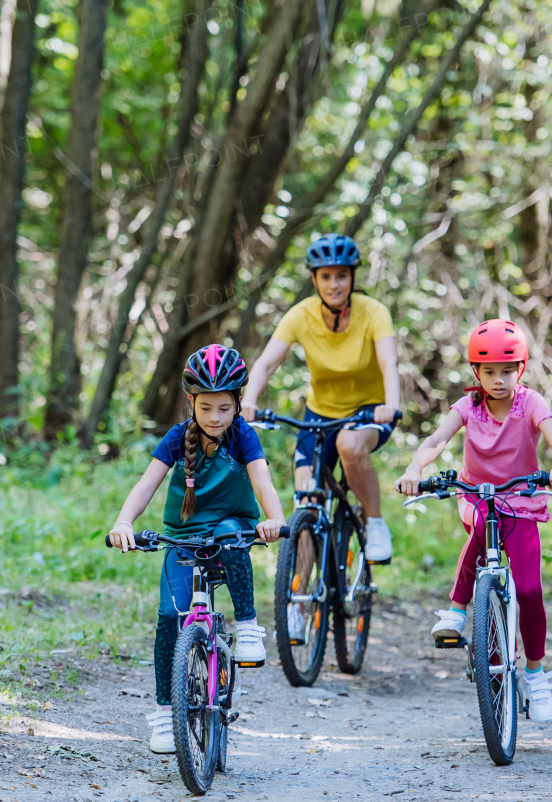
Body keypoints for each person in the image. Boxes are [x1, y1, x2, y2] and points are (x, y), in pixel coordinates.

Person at [106, 344, 287, 754]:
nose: (215, 417)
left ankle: (247, 625)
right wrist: (124, 522)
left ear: (238, 402)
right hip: (184, 537)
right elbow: (146, 484)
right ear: (191, 402)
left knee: (227, 531)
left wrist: (273, 518)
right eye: (206, 408)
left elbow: (263, 483)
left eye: (224, 408)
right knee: (170, 616)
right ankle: (164, 713)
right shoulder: (177, 437)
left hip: (232, 533)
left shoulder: (243, 435)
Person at [395, 320, 552, 723]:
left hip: (522, 501)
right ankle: (457, 612)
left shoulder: (529, 403)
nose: (499, 380)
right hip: (478, 497)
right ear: (476, 373)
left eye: (507, 371)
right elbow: (437, 440)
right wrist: (413, 467)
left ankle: (535, 674)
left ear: (522, 370)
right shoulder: (467, 407)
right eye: (489, 371)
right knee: (481, 524)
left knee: (529, 590)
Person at [241, 233, 401, 563]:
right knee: (306, 501)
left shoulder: (373, 312)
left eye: (341, 275)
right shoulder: (302, 314)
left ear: (353, 277)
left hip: (370, 411)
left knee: (349, 445)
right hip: (319, 416)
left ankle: (375, 522)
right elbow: (268, 361)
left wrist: (391, 404)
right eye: (325, 277)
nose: (334, 285)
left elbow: (389, 362)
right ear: (314, 279)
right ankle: (298, 596)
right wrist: (249, 401)